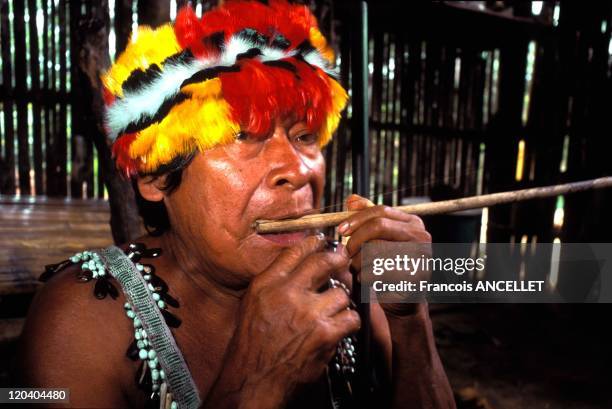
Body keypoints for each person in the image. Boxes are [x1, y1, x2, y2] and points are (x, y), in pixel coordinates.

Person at [15, 1, 455, 408]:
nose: (297, 169)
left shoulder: (351, 285)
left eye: (304, 137)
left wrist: (411, 321)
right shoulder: (79, 324)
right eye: (243, 136)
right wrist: (259, 381)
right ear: (155, 176)